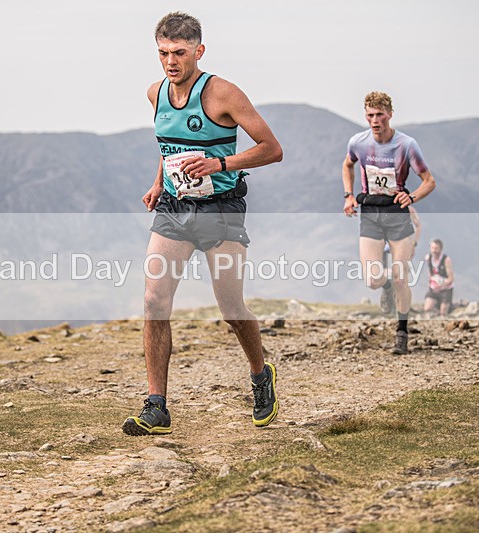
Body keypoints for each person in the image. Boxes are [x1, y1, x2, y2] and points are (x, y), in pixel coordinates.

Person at [123, 12, 283, 436]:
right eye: (162, 53)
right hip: (174, 209)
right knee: (154, 301)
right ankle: (157, 405)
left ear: (199, 50)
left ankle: (260, 373)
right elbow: (169, 145)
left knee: (230, 309)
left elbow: (272, 149)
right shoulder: (154, 92)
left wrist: (221, 163)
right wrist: (159, 183)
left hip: (221, 209)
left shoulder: (222, 93)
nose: (170, 61)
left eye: (178, 52)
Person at [342, 91, 436, 354]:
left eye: (379, 115)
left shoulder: (406, 145)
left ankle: (402, 332)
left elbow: (429, 181)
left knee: (400, 278)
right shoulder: (358, 142)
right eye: (370, 115)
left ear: (389, 115)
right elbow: (347, 165)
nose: (375, 121)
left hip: (396, 215)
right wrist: (349, 196)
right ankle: (384, 288)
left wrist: (412, 196)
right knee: (373, 279)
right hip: (370, 213)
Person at [379, 205, 421, 314]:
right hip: (385, 245)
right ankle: (389, 294)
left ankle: (401, 306)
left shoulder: (409, 209)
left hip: (403, 244)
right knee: (384, 273)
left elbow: (418, 226)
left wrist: (413, 244)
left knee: (401, 277)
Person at [424, 238, 455, 317]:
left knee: (443, 313)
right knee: (427, 308)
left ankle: (450, 306)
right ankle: (438, 305)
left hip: (445, 289)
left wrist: (440, 287)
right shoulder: (429, 258)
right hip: (434, 289)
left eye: (436, 248)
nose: (434, 251)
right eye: (432, 248)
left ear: (440, 249)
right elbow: (430, 272)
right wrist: (430, 283)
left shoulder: (446, 260)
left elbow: (451, 279)